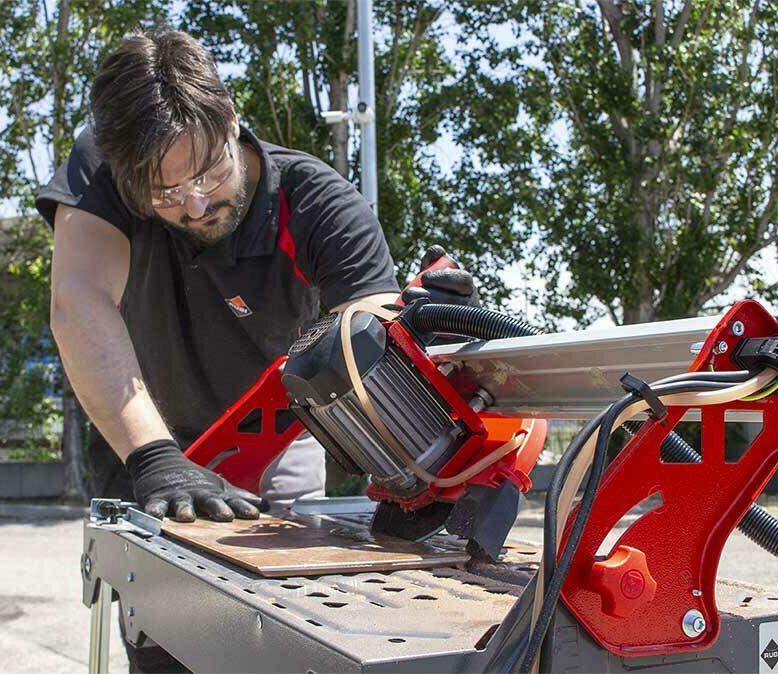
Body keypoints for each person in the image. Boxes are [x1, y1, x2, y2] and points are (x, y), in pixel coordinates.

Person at [37, 27, 476, 672]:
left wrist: (408, 479)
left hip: (276, 434)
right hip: (145, 431)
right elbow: (79, 300)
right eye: (165, 192)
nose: (195, 203)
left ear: (232, 122)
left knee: (285, 628)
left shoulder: (319, 203)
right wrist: (156, 458)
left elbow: (372, 348)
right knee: (161, 633)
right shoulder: (106, 161)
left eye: (209, 172)